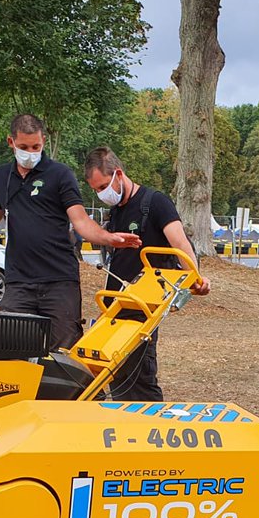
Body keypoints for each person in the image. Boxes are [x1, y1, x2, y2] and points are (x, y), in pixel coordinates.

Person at [0, 114, 140, 349]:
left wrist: (108, 238)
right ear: (10, 142)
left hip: (59, 281)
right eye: (24, 147)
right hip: (18, 282)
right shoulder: (2, 176)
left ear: (43, 140)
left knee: (64, 352)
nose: (30, 152)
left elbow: (80, 220)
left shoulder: (60, 174)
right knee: (9, 348)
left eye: (36, 146)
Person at [83, 146, 211, 401]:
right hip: (115, 306)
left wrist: (196, 279)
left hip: (143, 307)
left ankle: (150, 429)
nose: (101, 194)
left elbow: (180, 243)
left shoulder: (155, 202)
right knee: (113, 374)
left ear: (119, 174)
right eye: (96, 190)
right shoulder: (118, 210)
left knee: (139, 380)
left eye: (103, 186)